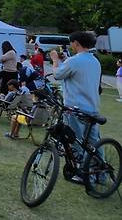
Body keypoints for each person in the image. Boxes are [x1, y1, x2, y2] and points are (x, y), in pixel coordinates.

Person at [51, 31, 102, 178]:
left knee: (78, 143)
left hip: (75, 108)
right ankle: (101, 175)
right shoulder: (94, 61)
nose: (71, 46)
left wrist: (54, 60)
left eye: (71, 43)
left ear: (76, 43)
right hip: (92, 107)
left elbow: (58, 74)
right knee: (94, 144)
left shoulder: (74, 61)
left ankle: (84, 175)